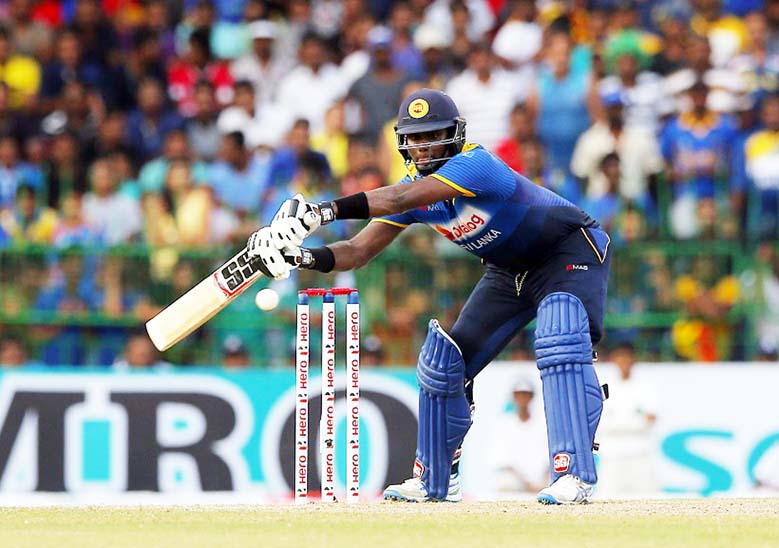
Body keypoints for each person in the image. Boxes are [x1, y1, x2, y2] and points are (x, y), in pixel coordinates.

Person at [247, 88, 611, 505]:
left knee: (559, 330)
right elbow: (357, 252)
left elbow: (399, 198)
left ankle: (574, 474)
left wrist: (321, 211)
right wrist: (298, 255)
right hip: (508, 270)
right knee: (444, 362)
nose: (422, 147)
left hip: (568, 250)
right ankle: (436, 479)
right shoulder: (412, 190)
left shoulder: (475, 165)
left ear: (455, 135)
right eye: (415, 138)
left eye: (432, 135)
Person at [595, 342, 658, 497]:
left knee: (648, 500)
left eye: (627, 357)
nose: (623, 362)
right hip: (612, 455)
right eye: (619, 357)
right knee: (607, 500)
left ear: (633, 360)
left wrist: (617, 422)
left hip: (639, 453)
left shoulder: (644, 387)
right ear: (613, 360)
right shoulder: (605, 387)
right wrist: (635, 420)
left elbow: (651, 418)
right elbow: (600, 420)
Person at [492, 378, 549, 497]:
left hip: (541, 477)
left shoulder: (544, 423)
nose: (523, 398)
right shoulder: (505, 423)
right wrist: (526, 484)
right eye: (519, 394)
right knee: (505, 482)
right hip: (515, 478)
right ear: (514, 397)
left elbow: (550, 457)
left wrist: (542, 480)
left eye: (526, 394)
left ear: (532, 397)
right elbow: (503, 460)